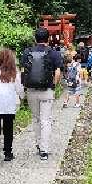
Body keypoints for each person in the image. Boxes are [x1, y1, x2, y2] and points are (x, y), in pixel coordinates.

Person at [20, 27, 63, 160]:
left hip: (31, 91)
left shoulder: (27, 52)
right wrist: (53, 85)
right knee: (46, 120)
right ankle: (44, 150)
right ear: (48, 38)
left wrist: (24, 86)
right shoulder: (54, 53)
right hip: (47, 91)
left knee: (36, 119)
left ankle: (38, 144)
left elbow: (22, 70)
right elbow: (57, 72)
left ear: (35, 38)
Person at [0, 48, 24, 167]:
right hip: (8, 106)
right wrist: (23, 97)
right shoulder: (15, 73)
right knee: (8, 129)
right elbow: (20, 90)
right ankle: (7, 153)